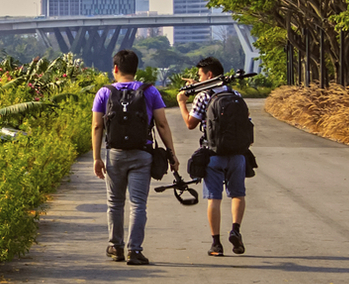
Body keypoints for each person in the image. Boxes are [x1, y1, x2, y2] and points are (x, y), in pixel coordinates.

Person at [91, 49, 179, 266]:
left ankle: (116, 247)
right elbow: (161, 124)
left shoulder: (104, 92)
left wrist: (96, 158)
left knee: (115, 202)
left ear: (115, 68)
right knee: (138, 204)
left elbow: (96, 126)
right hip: (142, 154)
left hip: (115, 154)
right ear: (136, 69)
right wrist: (171, 154)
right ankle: (135, 251)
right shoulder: (150, 91)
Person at [179, 57, 248, 257]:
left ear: (209, 75)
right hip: (237, 155)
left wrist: (182, 103)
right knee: (238, 194)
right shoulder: (235, 94)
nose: (198, 78)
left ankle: (216, 244)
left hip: (213, 155)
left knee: (214, 199)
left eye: (200, 75)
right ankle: (235, 229)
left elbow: (190, 123)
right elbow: (247, 123)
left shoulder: (203, 96)